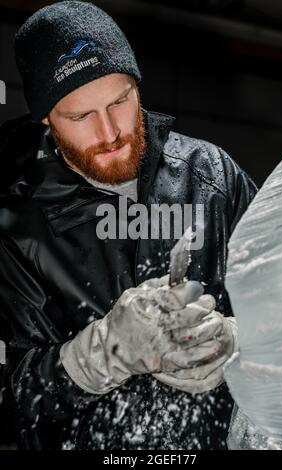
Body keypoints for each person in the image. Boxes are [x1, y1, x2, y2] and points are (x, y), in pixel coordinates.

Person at [0, 1, 257, 450]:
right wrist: (99, 354)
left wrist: (233, 342)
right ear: (46, 119)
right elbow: (9, 399)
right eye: (81, 116)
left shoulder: (211, 177)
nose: (110, 131)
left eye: (120, 101)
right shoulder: (16, 226)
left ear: (137, 86)